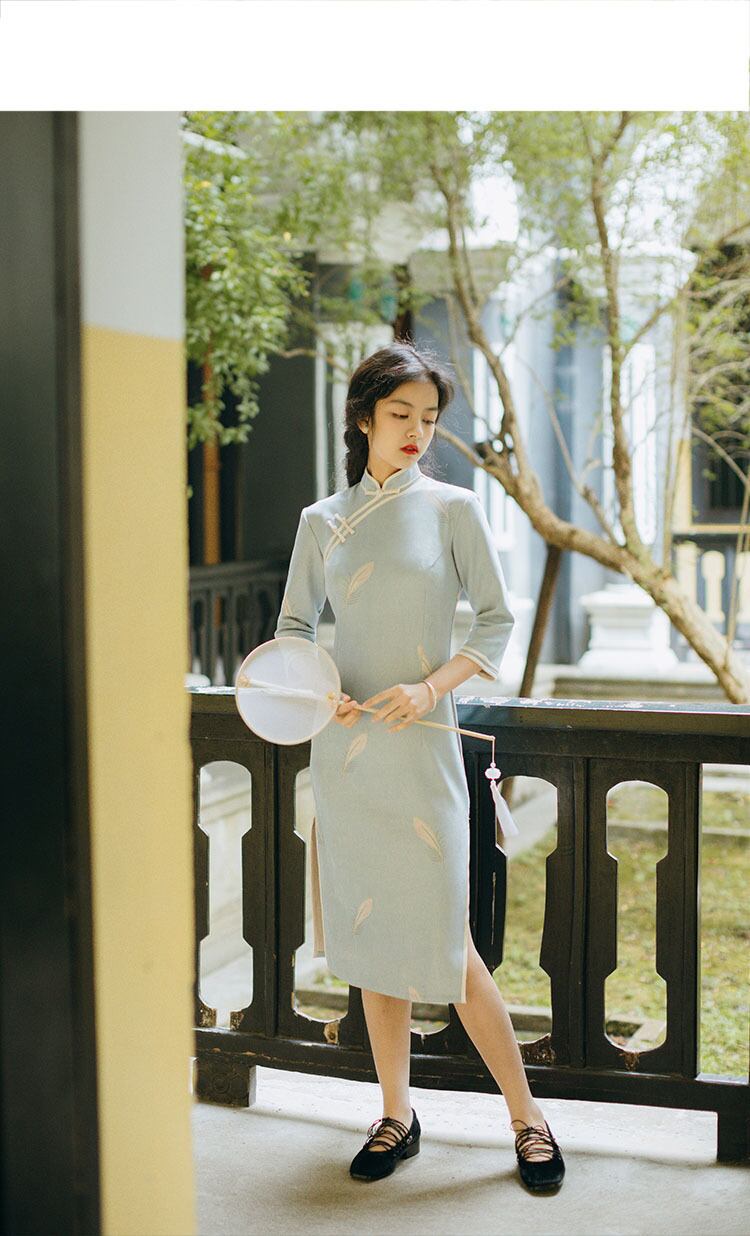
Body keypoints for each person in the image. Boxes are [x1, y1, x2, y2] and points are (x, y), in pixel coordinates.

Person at [274, 339, 565, 1193]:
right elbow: (293, 630)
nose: (416, 430)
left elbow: (496, 622)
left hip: (426, 749)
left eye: (429, 418)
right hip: (348, 754)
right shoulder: (321, 521)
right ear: (363, 417)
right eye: (400, 413)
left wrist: (430, 685)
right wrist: (320, 689)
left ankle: (529, 1118)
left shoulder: (452, 509)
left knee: (448, 943)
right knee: (372, 942)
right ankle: (396, 1114)